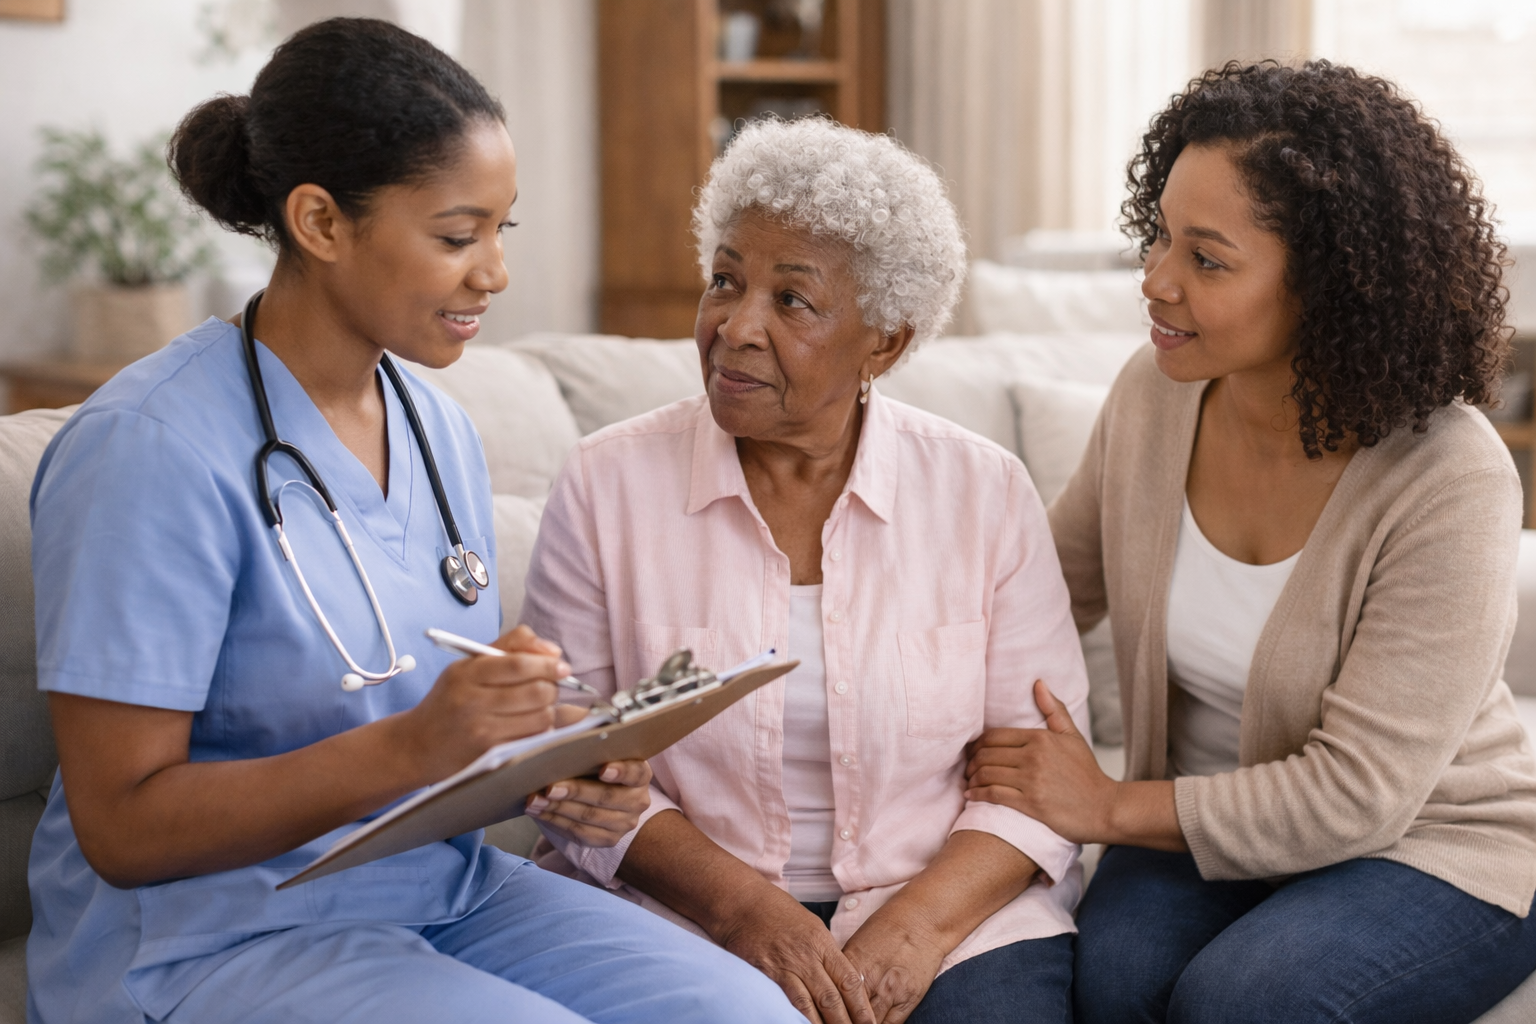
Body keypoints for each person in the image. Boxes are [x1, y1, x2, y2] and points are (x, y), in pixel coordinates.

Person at [25, 19, 804, 1024]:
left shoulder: (438, 426)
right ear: (319, 222)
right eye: (455, 234)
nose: (495, 273)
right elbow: (121, 826)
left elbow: (441, 707)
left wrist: (575, 758)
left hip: (442, 890)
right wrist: (415, 749)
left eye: (500, 231)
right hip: (210, 937)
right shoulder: (151, 446)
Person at [962, 60, 1536, 1024]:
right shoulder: (1155, 394)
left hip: (1427, 844)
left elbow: (1357, 797)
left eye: (1207, 259)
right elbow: (1043, 590)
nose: (1155, 280)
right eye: (1159, 237)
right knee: (1105, 986)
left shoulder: (1450, 475)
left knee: (1245, 1002)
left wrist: (1103, 807)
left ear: (1331, 286)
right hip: (1203, 823)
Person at [519, 116, 1090, 1024]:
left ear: (885, 343)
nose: (735, 328)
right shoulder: (606, 482)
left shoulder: (983, 491)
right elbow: (570, 763)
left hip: (946, 915)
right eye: (725, 282)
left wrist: (914, 930)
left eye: (792, 300)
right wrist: (749, 912)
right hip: (679, 913)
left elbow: (1040, 779)